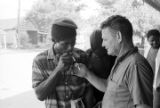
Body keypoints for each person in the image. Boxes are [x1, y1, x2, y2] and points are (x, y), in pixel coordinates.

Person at [73, 15, 153, 108]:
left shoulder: (136, 65)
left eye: (105, 39)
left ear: (118, 36)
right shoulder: (120, 60)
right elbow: (108, 87)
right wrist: (86, 73)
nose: (102, 44)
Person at [32, 18, 94, 108]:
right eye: (65, 44)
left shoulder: (82, 56)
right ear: (54, 40)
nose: (70, 48)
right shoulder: (40, 60)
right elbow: (40, 95)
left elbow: (89, 88)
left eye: (73, 43)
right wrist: (58, 70)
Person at [86, 29, 116, 107]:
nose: (100, 58)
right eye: (97, 55)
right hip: (93, 96)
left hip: (111, 96)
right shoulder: (86, 56)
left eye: (103, 55)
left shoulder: (114, 57)